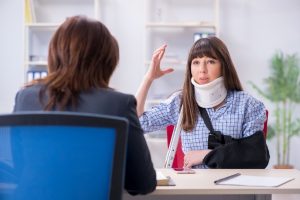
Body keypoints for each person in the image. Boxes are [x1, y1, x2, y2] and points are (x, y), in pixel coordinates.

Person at [13, 16, 156, 195]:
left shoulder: (25, 98)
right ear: (107, 61)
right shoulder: (119, 104)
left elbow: (20, 168)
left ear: (54, 54)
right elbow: (142, 183)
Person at [136, 37, 270, 169]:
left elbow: (256, 155)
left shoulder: (247, 104)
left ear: (224, 66)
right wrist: (148, 78)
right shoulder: (180, 102)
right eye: (196, 62)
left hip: (233, 188)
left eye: (210, 61)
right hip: (195, 187)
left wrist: (208, 155)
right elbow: (137, 123)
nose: (202, 69)